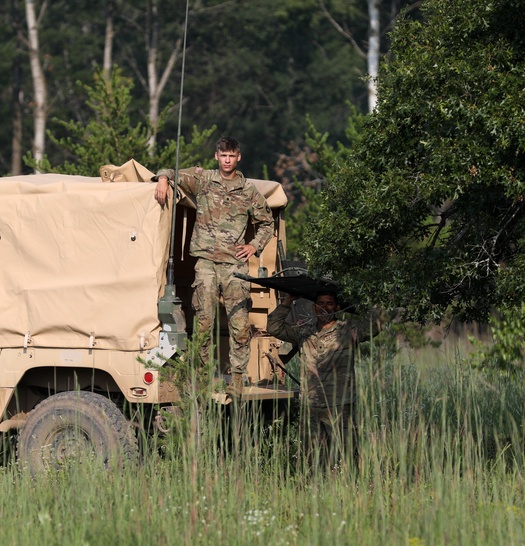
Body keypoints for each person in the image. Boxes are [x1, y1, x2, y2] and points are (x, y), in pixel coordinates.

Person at [153, 137, 275, 394]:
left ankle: (238, 378)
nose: (227, 160)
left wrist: (254, 246)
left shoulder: (248, 191)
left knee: (240, 325)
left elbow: (267, 223)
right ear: (216, 156)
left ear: (238, 157)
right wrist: (163, 180)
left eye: (232, 156)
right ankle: (202, 377)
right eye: (223, 155)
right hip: (206, 262)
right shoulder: (205, 180)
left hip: (234, 265)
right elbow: (171, 171)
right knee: (204, 322)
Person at [266, 290, 381, 469]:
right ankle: (314, 492)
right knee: (310, 459)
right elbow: (274, 327)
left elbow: (375, 326)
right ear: (314, 307)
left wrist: (364, 298)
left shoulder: (348, 330)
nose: (324, 308)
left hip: (339, 405)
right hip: (310, 407)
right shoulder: (304, 332)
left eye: (329, 303)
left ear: (337, 307)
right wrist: (289, 300)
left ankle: (351, 491)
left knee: (347, 455)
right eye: (320, 304)